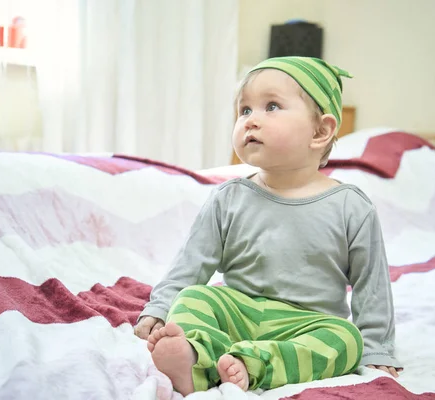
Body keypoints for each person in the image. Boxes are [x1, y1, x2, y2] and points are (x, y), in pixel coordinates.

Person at [134, 56, 402, 396]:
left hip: (305, 324)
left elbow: (372, 285)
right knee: (194, 298)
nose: (251, 121)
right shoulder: (228, 198)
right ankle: (193, 358)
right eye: (244, 110)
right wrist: (159, 309)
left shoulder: (351, 206)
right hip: (237, 310)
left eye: (271, 106)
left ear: (320, 131)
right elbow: (190, 264)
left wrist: (377, 347)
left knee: (346, 339)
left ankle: (252, 363)